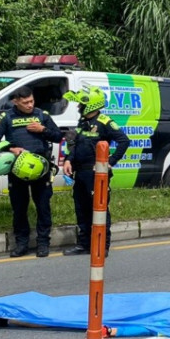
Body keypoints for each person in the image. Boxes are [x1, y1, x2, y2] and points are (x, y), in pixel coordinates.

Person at [0, 86, 62, 258]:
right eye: (25, 102)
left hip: (41, 167)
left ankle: (43, 243)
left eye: (31, 101)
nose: (29, 105)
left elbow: (58, 136)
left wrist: (42, 130)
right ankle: (22, 244)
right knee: (19, 207)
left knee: (43, 206)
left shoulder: (42, 115)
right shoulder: (6, 117)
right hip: (17, 168)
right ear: (16, 101)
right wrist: (11, 148)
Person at [61, 86, 130, 257]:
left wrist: (110, 162)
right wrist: (69, 160)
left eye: (81, 105)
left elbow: (124, 141)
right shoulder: (82, 122)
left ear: (91, 105)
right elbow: (75, 144)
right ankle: (83, 244)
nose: (78, 108)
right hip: (81, 174)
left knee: (99, 210)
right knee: (81, 209)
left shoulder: (105, 122)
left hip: (96, 175)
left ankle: (102, 246)